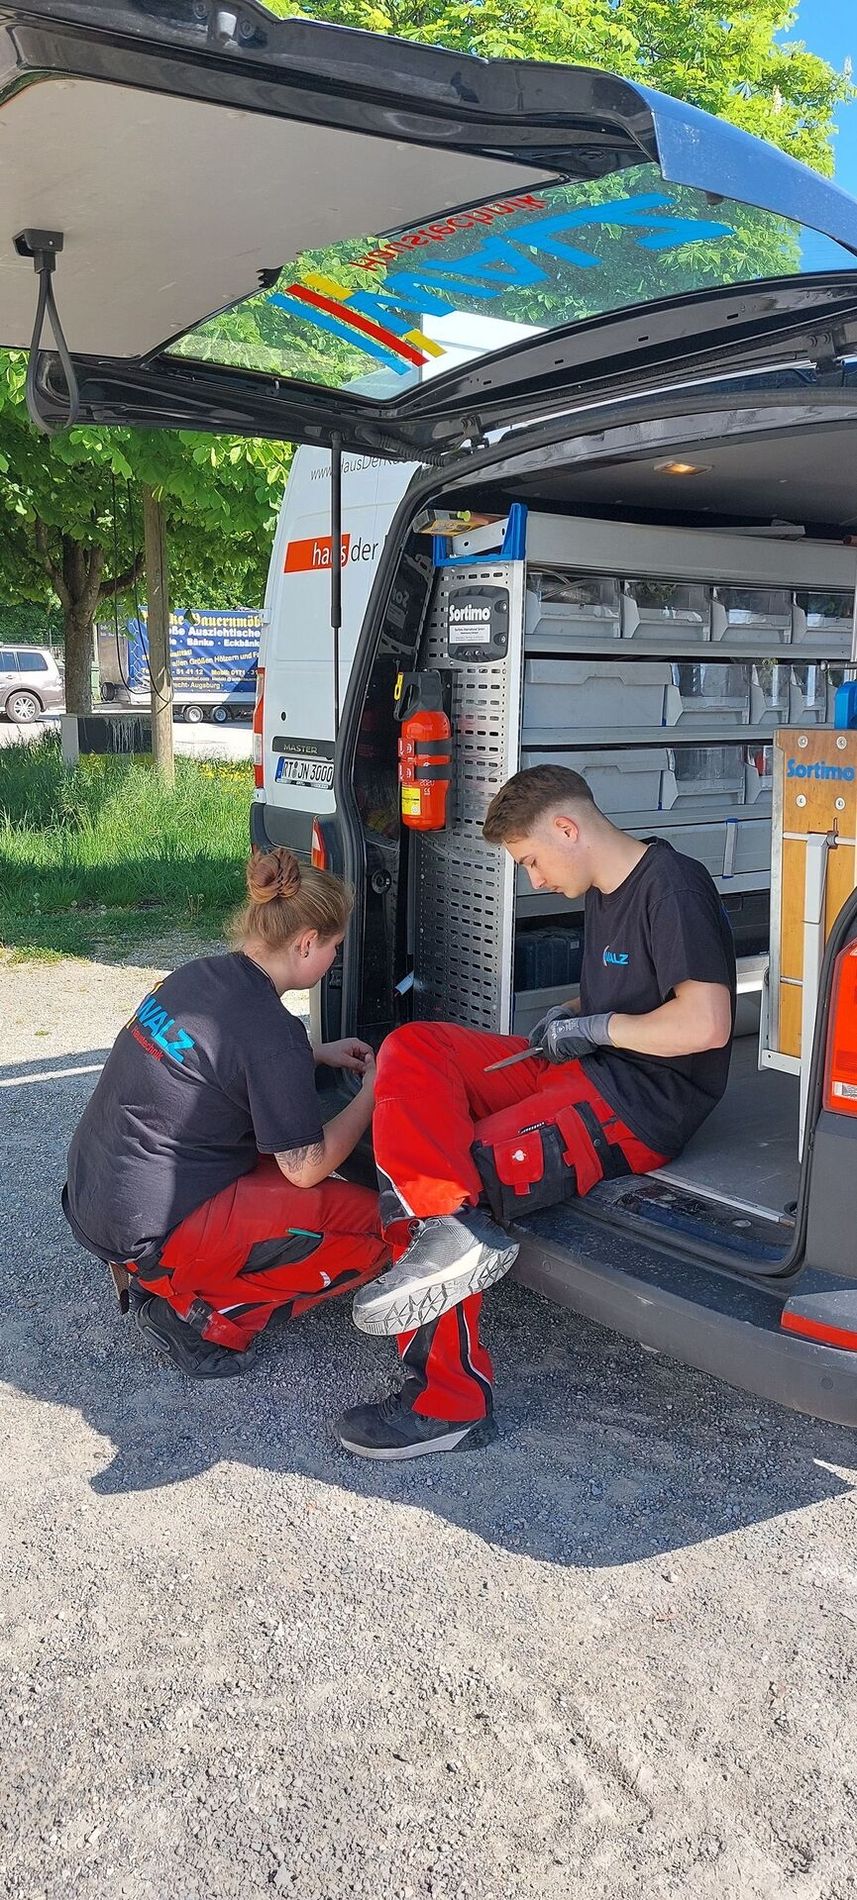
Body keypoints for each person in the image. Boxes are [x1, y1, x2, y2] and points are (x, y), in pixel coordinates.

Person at [336, 764, 736, 1461]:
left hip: (639, 1101)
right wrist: (575, 1016)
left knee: (457, 1181)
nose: (533, 879)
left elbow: (704, 1023)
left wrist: (597, 1030)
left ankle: (447, 1405)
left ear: (566, 828)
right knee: (414, 1045)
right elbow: (630, 994)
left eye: (529, 861)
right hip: (592, 1067)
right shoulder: (604, 887)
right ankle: (442, 1223)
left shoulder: (672, 887)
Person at [63, 846, 494, 1442]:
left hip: (99, 1200)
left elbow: (215, 1060)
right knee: (384, 1232)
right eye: (335, 947)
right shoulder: (271, 1032)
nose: (335, 958)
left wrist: (309, 1055)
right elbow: (307, 1169)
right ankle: (204, 1316)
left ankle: (175, 1283)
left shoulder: (199, 976)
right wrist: (374, 1088)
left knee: (294, 1195)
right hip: (158, 1229)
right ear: (306, 942)